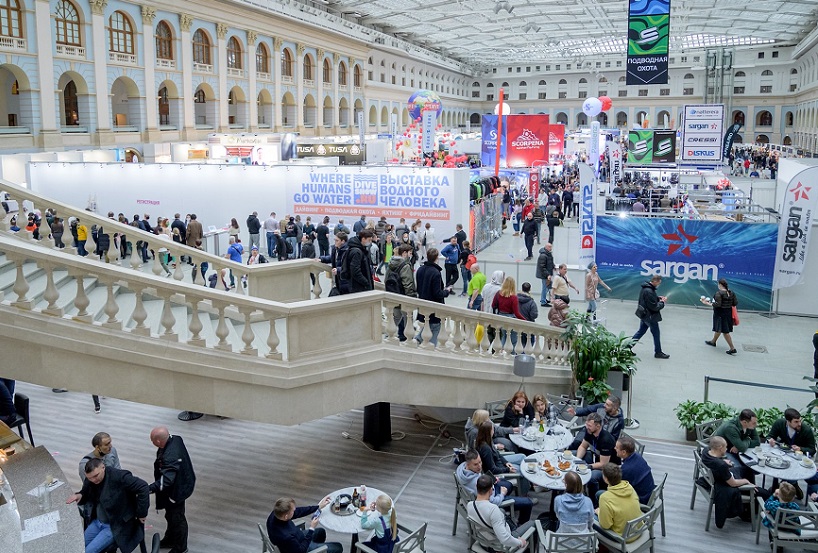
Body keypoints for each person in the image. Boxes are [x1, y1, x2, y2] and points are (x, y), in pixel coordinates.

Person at [67, 458, 150, 553]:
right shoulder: (90, 479)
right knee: (77, 546)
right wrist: (79, 495)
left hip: (115, 525)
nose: (93, 480)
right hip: (97, 522)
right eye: (90, 478)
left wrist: (142, 513)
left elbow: (143, 487)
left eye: (96, 476)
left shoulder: (119, 476)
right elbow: (85, 492)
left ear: (103, 467)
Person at [148, 427, 196, 553]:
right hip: (183, 483)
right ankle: (171, 538)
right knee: (170, 515)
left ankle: (181, 547)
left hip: (176, 491)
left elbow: (167, 480)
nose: (152, 443)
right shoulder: (176, 439)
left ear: (158, 442)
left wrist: (149, 489)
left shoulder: (170, 456)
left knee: (177, 517)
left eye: (152, 440)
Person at [456, 451, 533, 525]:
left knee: (509, 485)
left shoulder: (461, 468)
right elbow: (492, 502)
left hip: (487, 491)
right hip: (490, 502)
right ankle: (520, 524)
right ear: (468, 464)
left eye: (480, 462)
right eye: (476, 464)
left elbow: (480, 479)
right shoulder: (475, 483)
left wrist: (490, 480)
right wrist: (502, 494)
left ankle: (508, 507)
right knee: (528, 502)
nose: (479, 466)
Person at [700, 436, 759, 528]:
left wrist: (723, 460)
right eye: (725, 447)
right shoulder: (721, 466)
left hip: (718, 476)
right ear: (720, 448)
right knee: (762, 492)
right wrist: (746, 481)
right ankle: (750, 500)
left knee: (748, 470)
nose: (726, 449)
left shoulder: (705, 452)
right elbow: (733, 483)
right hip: (725, 481)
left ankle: (749, 500)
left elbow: (716, 462)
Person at [467, 474, 533, 550]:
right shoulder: (493, 510)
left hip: (483, 541)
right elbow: (505, 539)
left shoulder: (470, 505)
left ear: (476, 487)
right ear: (491, 490)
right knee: (533, 524)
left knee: (502, 511)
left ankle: (516, 528)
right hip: (498, 546)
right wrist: (520, 542)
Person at [266, 496, 343, 553]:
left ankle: (318, 547)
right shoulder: (286, 536)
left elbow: (299, 511)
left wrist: (318, 506)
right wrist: (312, 528)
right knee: (338, 547)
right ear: (286, 516)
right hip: (300, 547)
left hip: (296, 538)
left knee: (321, 532)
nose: (295, 511)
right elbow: (301, 550)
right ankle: (319, 550)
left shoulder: (276, 513)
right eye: (293, 511)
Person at [576, 413, 618, 503]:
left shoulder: (606, 440)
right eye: (586, 424)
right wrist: (577, 460)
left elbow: (603, 465)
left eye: (589, 426)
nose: (587, 427)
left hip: (609, 468)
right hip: (596, 458)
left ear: (598, 426)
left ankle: (593, 501)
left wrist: (588, 466)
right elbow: (583, 447)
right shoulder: (589, 432)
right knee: (574, 454)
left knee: (592, 476)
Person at [414, 248, 453, 345]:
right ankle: (430, 348)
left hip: (423, 304)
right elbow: (437, 293)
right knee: (435, 327)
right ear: (436, 258)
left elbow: (418, 287)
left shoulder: (420, 269)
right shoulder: (435, 273)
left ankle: (418, 339)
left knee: (428, 325)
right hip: (434, 307)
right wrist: (446, 291)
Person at [595, 463, 642, 539]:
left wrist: (599, 512)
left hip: (623, 537)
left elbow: (605, 525)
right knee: (599, 493)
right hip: (638, 530)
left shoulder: (605, 498)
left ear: (606, 479)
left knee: (591, 517)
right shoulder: (629, 486)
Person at [632, 274, 670, 359]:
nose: (659, 285)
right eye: (659, 283)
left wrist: (657, 298)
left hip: (644, 315)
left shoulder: (646, 288)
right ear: (655, 281)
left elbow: (648, 300)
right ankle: (658, 352)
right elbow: (654, 307)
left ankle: (626, 348)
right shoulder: (649, 291)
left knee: (640, 332)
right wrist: (662, 302)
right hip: (650, 317)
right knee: (656, 334)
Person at [384, 244, 416, 341]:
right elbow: (408, 283)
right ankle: (409, 339)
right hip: (403, 295)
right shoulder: (405, 265)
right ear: (404, 253)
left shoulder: (391, 263)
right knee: (407, 317)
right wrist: (411, 297)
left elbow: (386, 279)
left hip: (393, 294)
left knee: (396, 316)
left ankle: (387, 336)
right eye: (409, 253)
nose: (411, 255)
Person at [700, 278, 739, 355]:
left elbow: (717, 304)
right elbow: (735, 303)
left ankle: (732, 348)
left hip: (720, 314)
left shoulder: (719, 293)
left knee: (725, 331)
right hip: (728, 313)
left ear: (720, 285)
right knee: (719, 328)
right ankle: (713, 341)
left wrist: (706, 303)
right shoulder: (731, 292)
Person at [615, 436, 655, 504]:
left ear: (624, 452)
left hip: (640, 500)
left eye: (617, 448)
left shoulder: (626, 469)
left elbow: (618, 488)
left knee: (600, 494)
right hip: (647, 493)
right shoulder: (637, 456)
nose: (615, 448)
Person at [492, 276, 526, 352]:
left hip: (501, 316)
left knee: (504, 335)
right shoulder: (513, 297)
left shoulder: (498, 294)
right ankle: (512, 355)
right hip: (511, 318)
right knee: (513, 339)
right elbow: (517, 313)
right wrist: (525, 320)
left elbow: (493, 305)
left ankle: (499, 352)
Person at [342, 229, 375, 294]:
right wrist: (366, 282)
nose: (370, 242)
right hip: (359, 287)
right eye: (369, 240)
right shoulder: (357, 252)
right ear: (363, 239)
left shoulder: (356, 249)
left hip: (357, 285)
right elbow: (355, 271)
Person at [536, 243, 555, 307]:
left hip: (547, 274)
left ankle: (543, 299)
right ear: (546, 247)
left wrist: (553, 266)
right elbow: (542, 267)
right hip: (545, 275)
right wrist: (547, 274)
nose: (551, 248)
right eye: (549, 247)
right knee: (545, 287)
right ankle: (543, 301)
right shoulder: (543, 256)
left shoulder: (548, 254)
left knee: (547, 286)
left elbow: (550, 262)